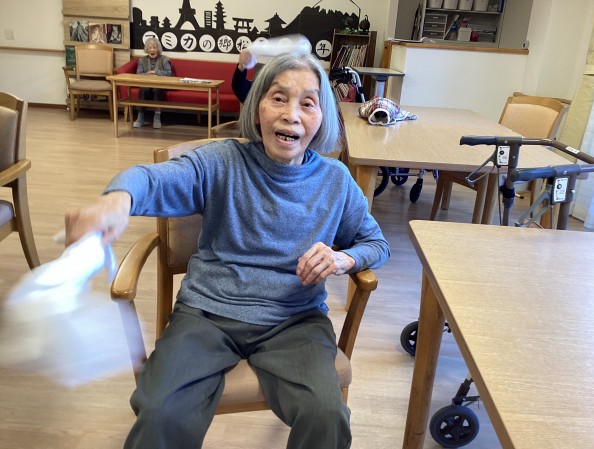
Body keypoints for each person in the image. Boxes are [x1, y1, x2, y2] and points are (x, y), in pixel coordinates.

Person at [64, 52, 390, 449]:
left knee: (326, 416)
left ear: (322, 118)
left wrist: (343, 259)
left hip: (295, 319)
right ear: (257, 108)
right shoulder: (222, 161)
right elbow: (153, 180)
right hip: (208, 313)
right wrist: (117, 201)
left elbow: (376, 243)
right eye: (278, 98)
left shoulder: (335, 180)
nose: (291, 115)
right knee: (160, 412)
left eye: (307, 103)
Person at [133, 37, 172, 129]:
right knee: (143, 90)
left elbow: (169, 73)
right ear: (147, 49)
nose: (152, 50)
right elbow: (138, 74)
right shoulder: (142, 60)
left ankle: (157, 117)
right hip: (146, 84)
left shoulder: (164, 59)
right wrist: (147, 74)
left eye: (154, 47)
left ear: (158, 49)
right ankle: (140, 116)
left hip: (160, 85)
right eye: (150, 48)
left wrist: (156, 72)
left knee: (157, 90)